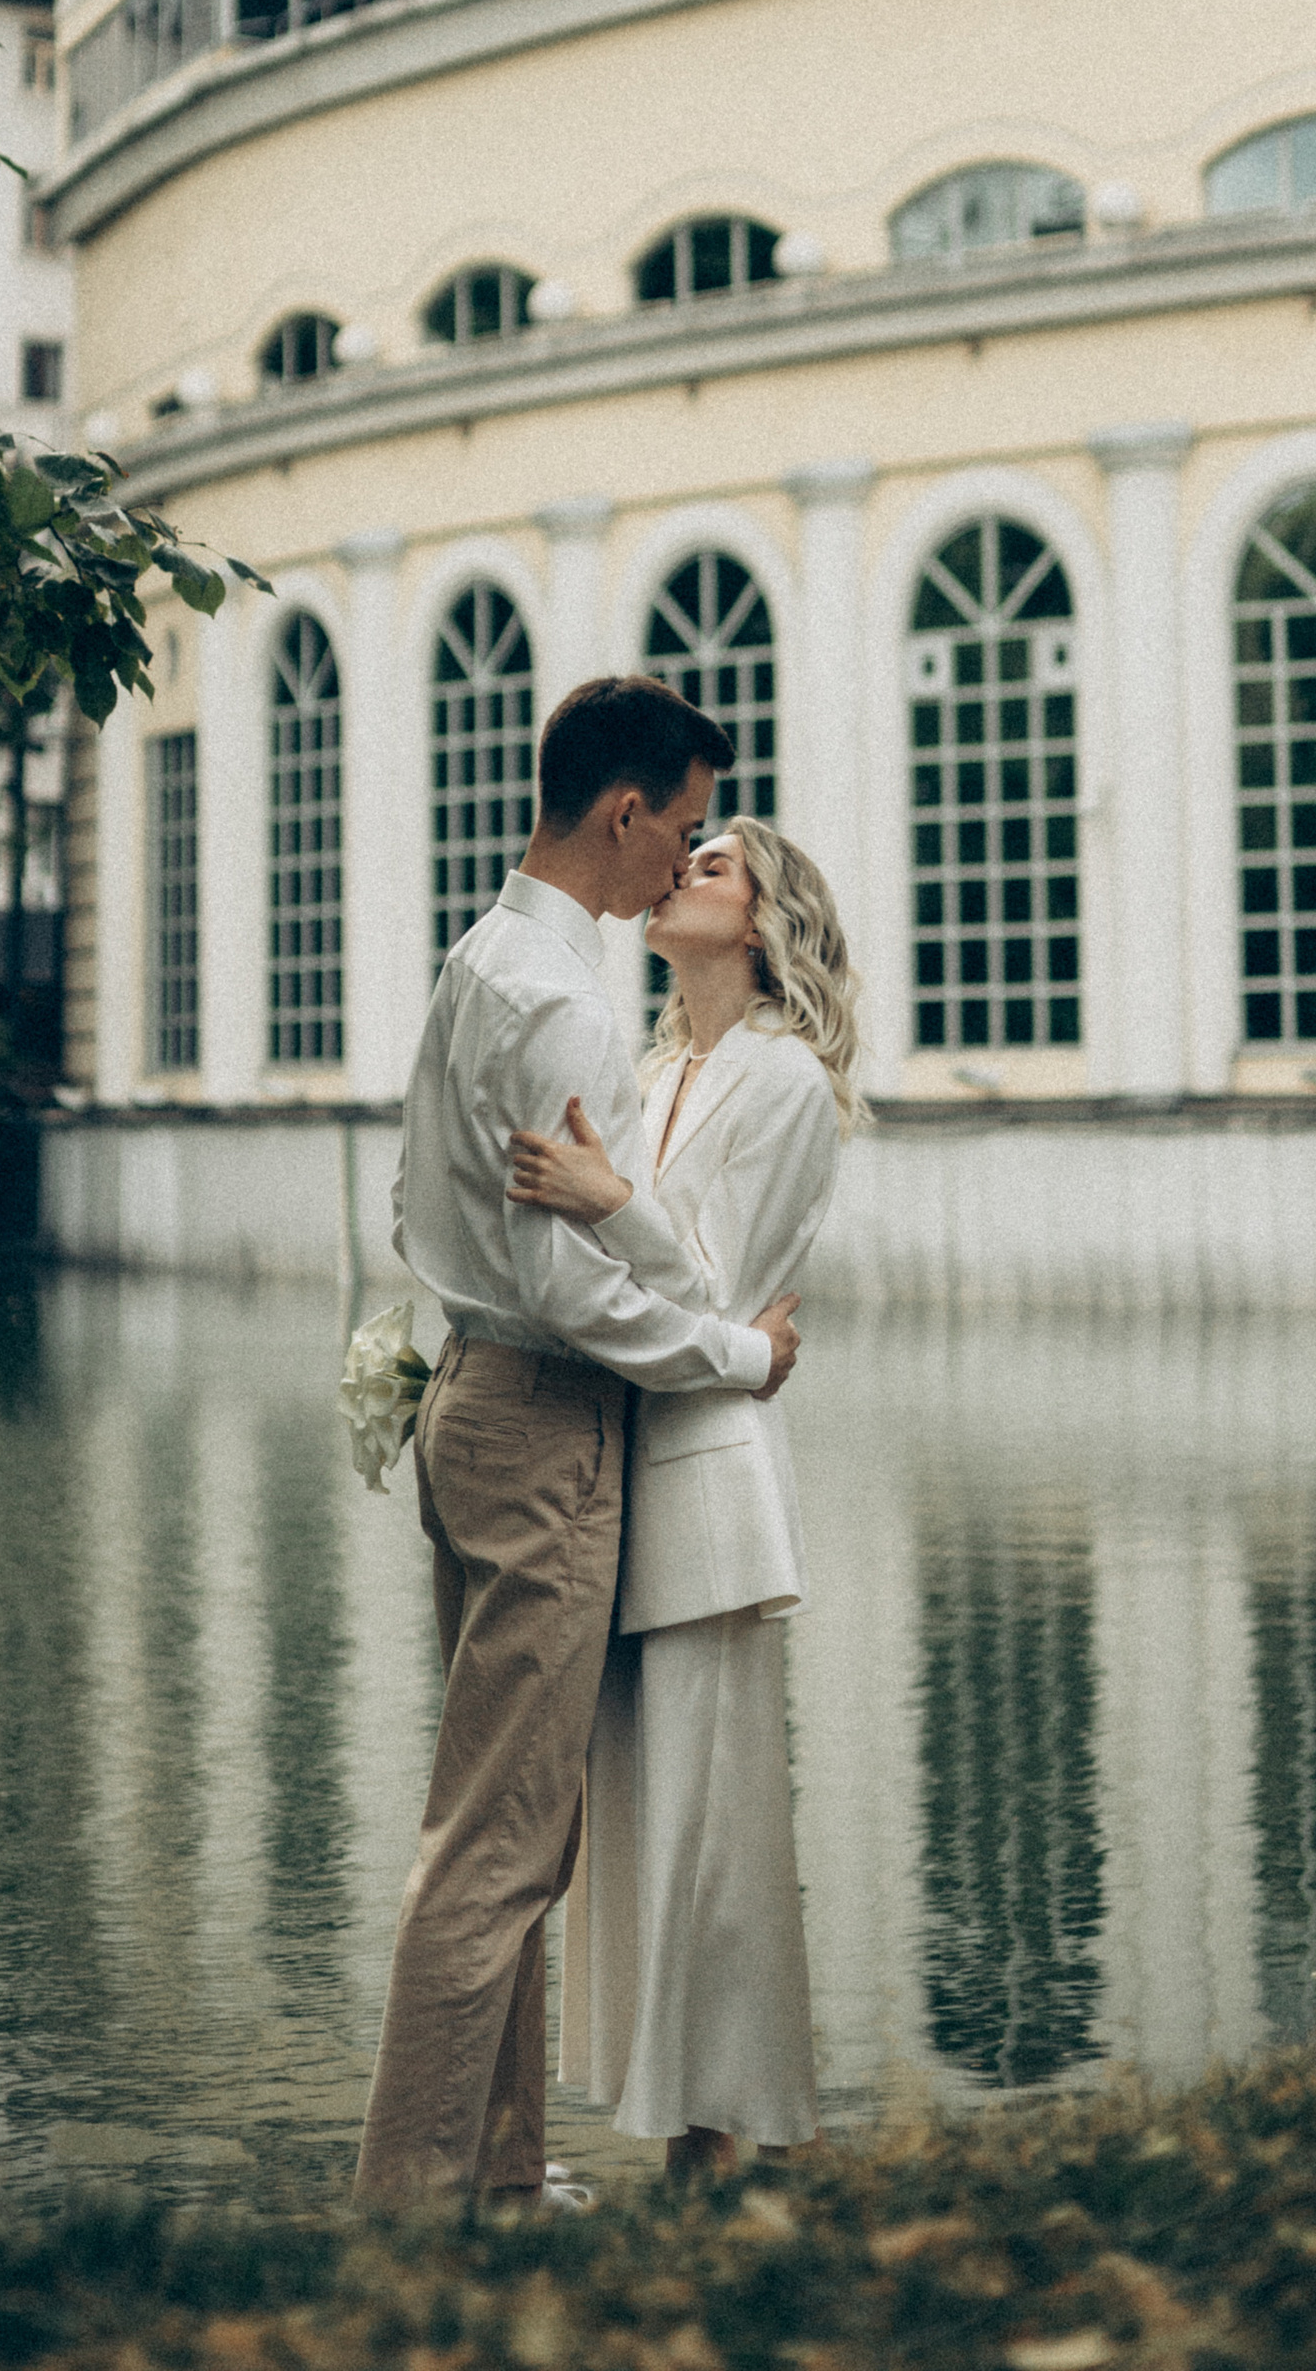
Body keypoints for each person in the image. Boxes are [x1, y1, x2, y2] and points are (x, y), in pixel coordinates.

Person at [353, 679, 805, 2210]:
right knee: (500, 1848)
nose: (678, 864)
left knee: (504, 1826)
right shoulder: (562, 1001)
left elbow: (412, 1210)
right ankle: (417, 2205)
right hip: (544, 1423)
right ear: (622, 813)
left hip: (474, 1406)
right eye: (677, 832)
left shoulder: (481, 961)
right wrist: (739, 1353)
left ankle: (497, 2176)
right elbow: (575, 1285)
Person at [508, 816, 859, 2176]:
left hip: (710, 1496)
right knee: (643, 1843)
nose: (683, 872)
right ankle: (683, 2148)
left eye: (716, 866)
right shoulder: (653, 1070)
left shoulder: (789, 1084)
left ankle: (726, 2149)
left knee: (715, 1843)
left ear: (767, 922)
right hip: (613, 1478)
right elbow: (647, 1291)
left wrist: (607, 1198)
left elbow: (710, 1296)